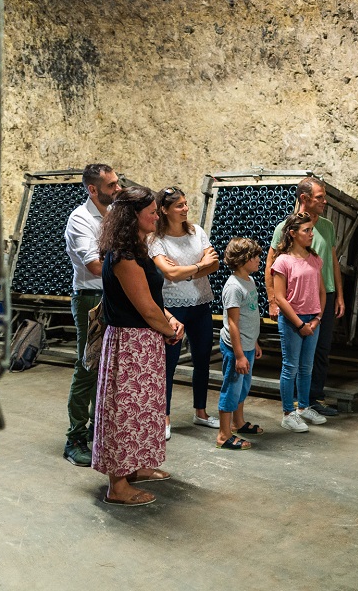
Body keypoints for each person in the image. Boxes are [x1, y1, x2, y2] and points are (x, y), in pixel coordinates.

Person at [93, 186, 185, 506]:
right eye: (151, 212)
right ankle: (118, 486)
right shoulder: (124, 256)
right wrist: (169, 330)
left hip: (144, 342)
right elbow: (145, 309)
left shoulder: (138, 249)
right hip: (130, 344)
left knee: (143, 409)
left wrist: (169, 320)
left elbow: (153, 300)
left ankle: (135, 467)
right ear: (133, 216)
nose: (156, 216)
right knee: (124, 412)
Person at [265, 177, 344, 417]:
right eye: (320, 197)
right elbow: (272, 263)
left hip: (323, 294)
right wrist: (272, 300)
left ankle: (312, 399)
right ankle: (295, 405)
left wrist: (339, 295)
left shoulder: (327, 227)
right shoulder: (285, 227)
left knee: (320, 349)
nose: (325, 201)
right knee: (294, 357)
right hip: (296, 299)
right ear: (304, 199)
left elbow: (332, 262)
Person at [148, 187, 221, 439]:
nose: (185, 208)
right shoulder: (156, 240)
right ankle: (164, 417)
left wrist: (187, 271)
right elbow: (169, 274)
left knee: (203, 359)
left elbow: (215, 264)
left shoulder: (196, 231)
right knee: (168, 364)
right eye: (179, 205)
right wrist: (200, 266)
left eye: (186, 203)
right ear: (164, 210)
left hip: (201, 304)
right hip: (173, 308)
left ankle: (200, 412)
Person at [62, 163, 122, 467]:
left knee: (109, 368)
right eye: (111, 185)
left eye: (116, 183)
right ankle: (74, 438)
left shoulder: (114, 215)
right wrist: (128, 271)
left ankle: (100, 431)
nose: (118, 188)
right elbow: (95, 266)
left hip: (114, 295)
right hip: (91, 299)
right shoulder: (81, 219)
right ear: (93, 189)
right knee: (88, 365)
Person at [271, 212, 328, 432]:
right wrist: (299, 324)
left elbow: (321, 292)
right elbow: (280, 298)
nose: (311, 234)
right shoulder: (283, 261)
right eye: (307, 230)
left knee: (306, 367)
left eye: (311, 230)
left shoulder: (314, 259)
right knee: (290, 367)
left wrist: (316, 319)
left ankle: (303, 408)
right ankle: (288, 413)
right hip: (292, 321)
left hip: (312, 320)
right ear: (293, 234)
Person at [215, 238, 265, 450]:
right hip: (236, 349)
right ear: (244, 260)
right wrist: (238, 355)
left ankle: (238, 422)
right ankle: (223, 435)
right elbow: (233, 323)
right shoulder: (233, 287)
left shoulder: (249, 281)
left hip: (246, 346)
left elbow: (250, 316)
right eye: (255, 257)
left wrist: (253, 343)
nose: (259, 261)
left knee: (242, 387)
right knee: (231, 389)